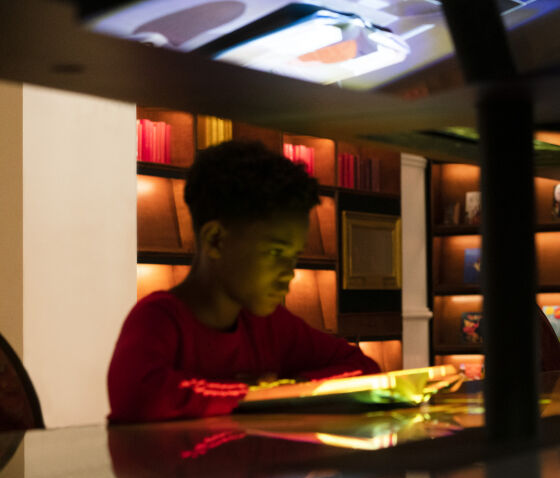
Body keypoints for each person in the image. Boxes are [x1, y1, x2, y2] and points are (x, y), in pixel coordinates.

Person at [107, 140, 380, 423]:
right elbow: (143, 396)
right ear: (216, 240)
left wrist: (288, 388)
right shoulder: (158, 319)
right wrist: (257, 394)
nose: (289, 273)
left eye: (294, 256)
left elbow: (363, 367)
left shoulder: (272, 325)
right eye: (275, 252)